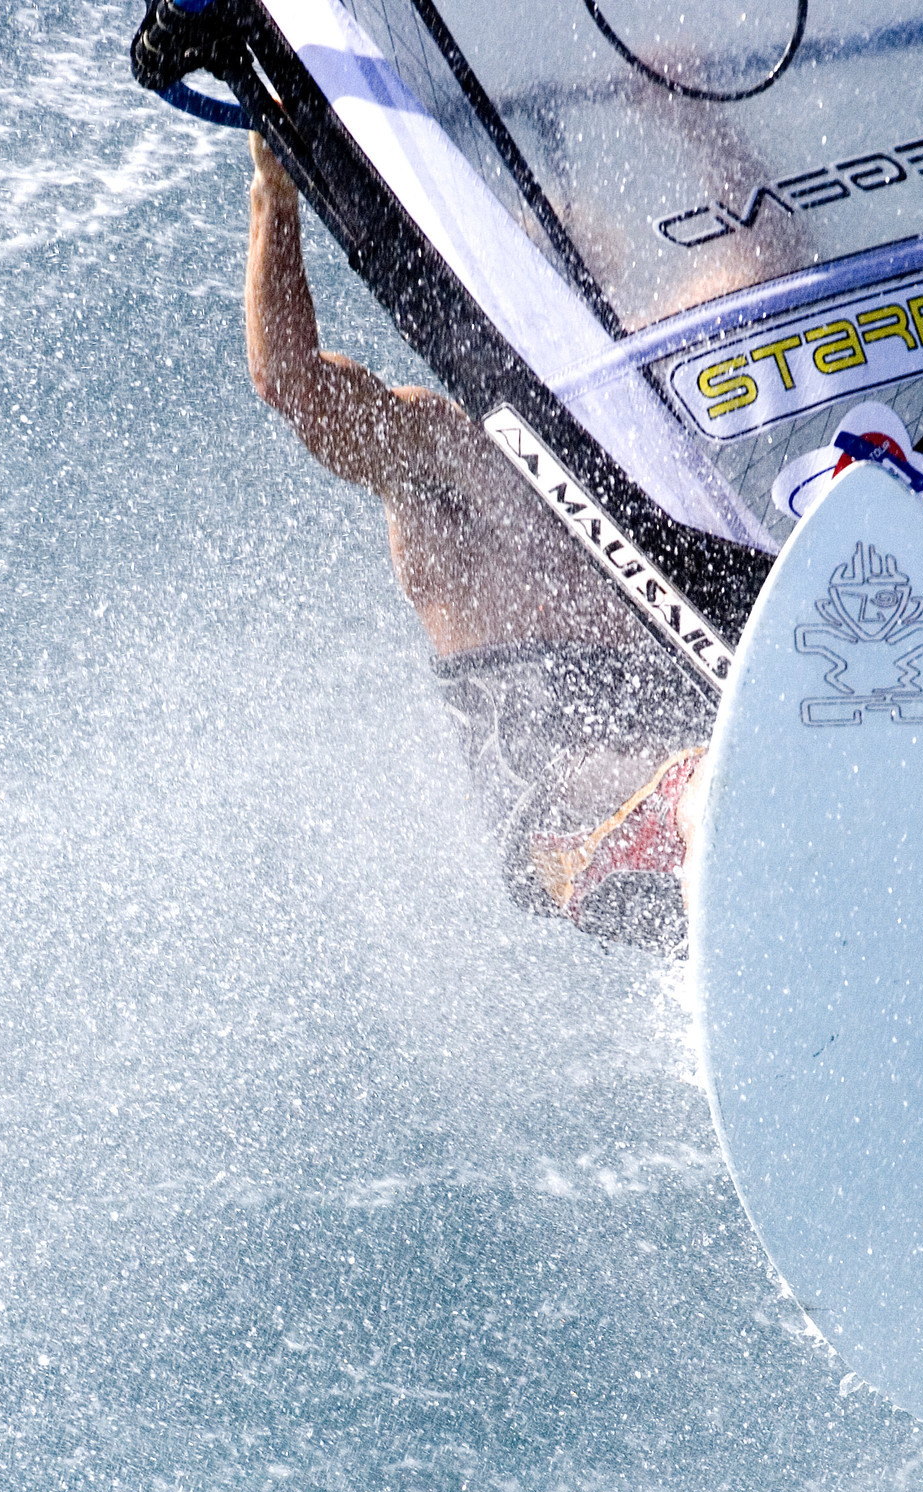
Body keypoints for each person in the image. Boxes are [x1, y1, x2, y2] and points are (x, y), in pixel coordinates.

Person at [243, 133, 711, 952]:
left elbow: (769, 259)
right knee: (712, 779)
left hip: (706, 753)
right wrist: (275, 194)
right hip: (556, 805)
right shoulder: (447, 453)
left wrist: (694, 123)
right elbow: (292, 383)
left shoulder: (670, 424)